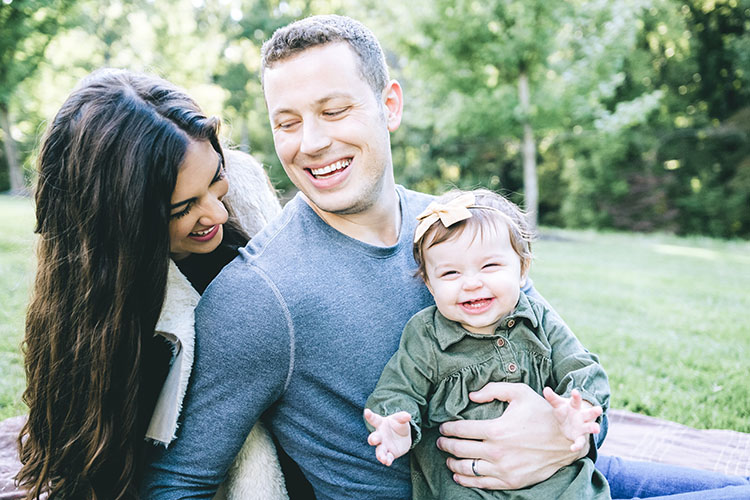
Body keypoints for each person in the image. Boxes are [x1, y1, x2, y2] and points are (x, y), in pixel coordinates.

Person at [142, 15, 750, 500]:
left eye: (333, 111)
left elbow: (571, 366)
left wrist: (567, 440)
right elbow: (179, 481)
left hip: (573, 476)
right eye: (287, 122)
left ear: (390, 105)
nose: (312, 142)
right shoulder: (261, 294)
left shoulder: (458, 223)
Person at [16, 69, 287, 500]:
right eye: (184, 208)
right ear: (123, 223)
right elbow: (101, 466)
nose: (218, 214)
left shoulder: (247, 204)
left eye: (216, 179)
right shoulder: (97, 310)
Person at [364, 189, 610, 499]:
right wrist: (395, 424)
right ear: (429, 283)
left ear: (522, 269)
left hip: (558, 485)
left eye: (490, 266)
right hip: (468, 487)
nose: (471, 283)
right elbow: (398, 389)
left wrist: (581, 409)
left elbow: (582, 367)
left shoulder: (539, 319)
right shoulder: (426, 335)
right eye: (450, 272)